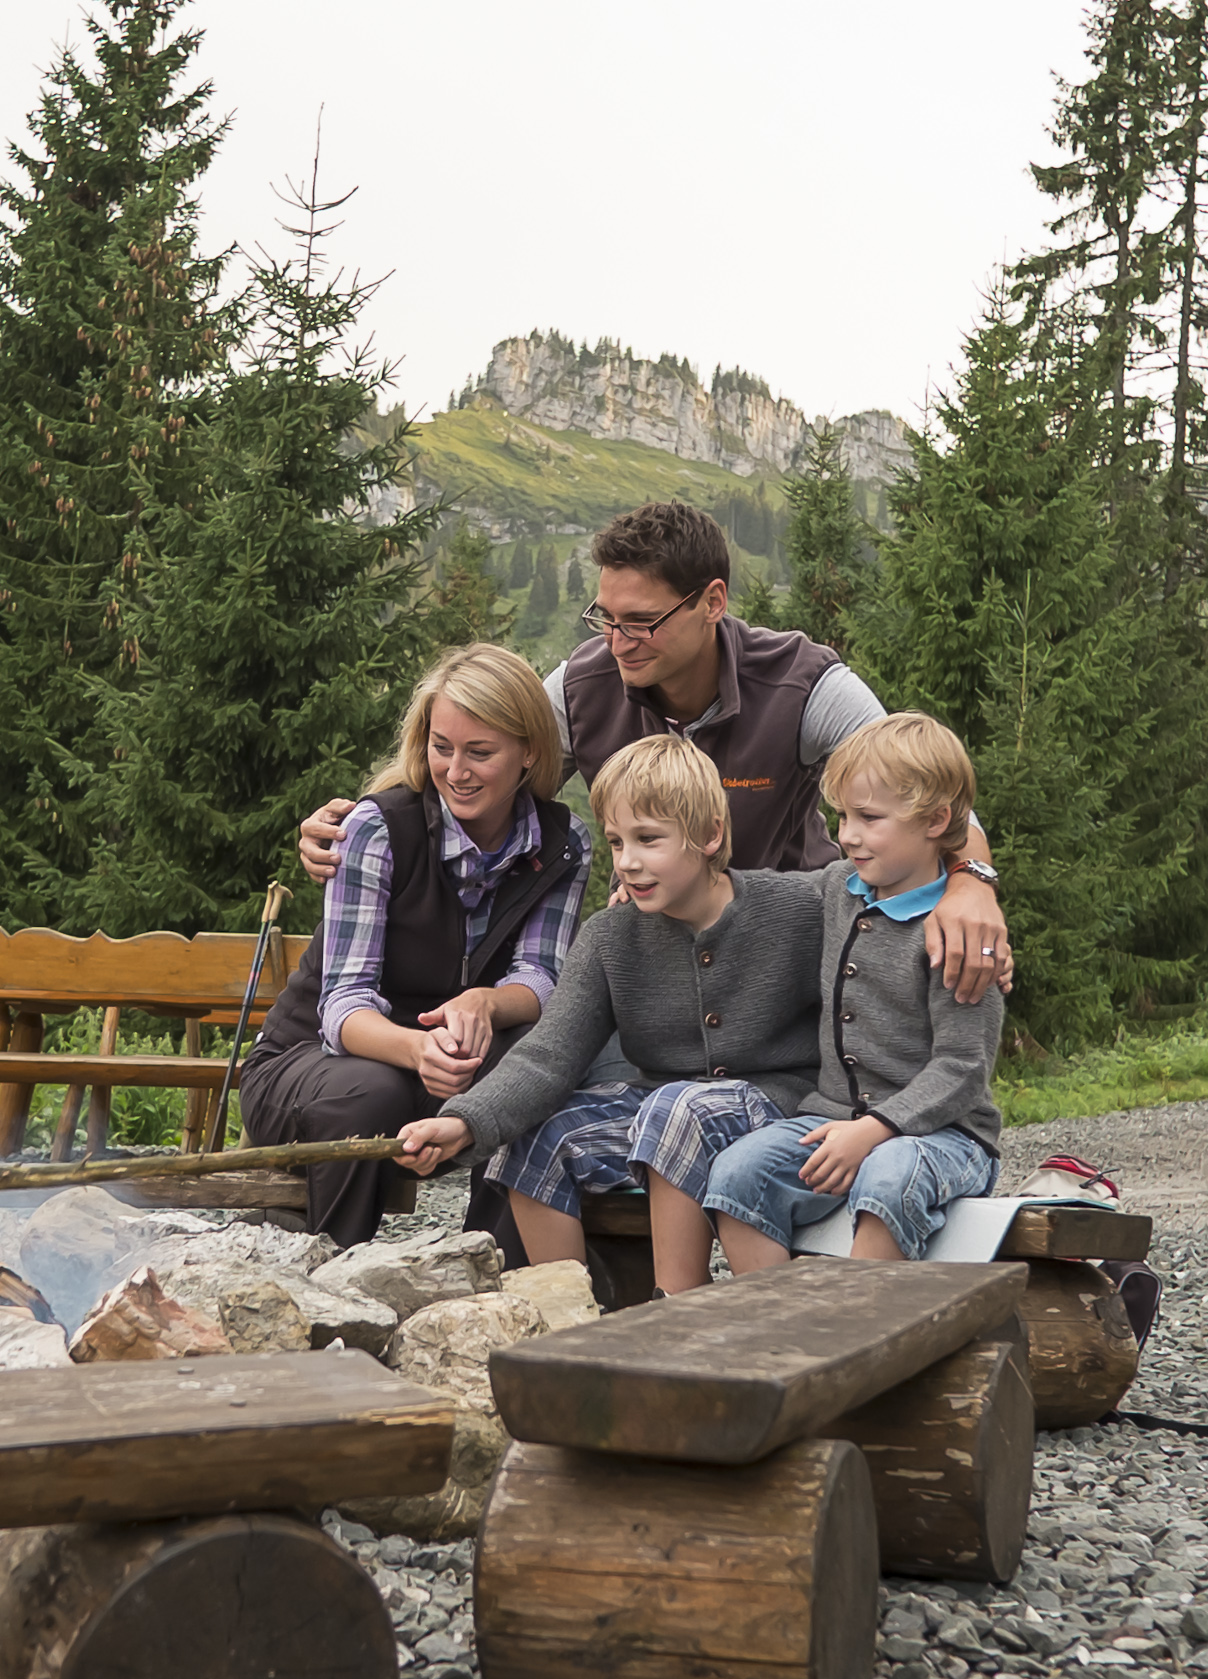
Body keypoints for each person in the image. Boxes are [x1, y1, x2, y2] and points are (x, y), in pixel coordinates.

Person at [298, 501, 1012, 997]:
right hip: (651, 950)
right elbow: (477, 764)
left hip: (790, 952)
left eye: (641, 622)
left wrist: (972, 880)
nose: (617, 642)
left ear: (712, 602)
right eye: (604, 618)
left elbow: (922, 794)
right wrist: (367, 819)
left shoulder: (804, 682)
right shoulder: (580, 685)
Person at [384, 736, 826, 1288]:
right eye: (617, 842)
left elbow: (877, 886)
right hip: (663, 1108)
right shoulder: (610, 937)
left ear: (710, 835)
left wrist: (953, 891)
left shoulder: (796, 907)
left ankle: (676, 1313)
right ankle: (567, 1313)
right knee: (538, 1136)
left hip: (778, 1106)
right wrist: (462, 1120)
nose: (628, 863)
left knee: (676, 1109)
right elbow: (548, 1056)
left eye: (648, 839)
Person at [235, 644, 587, 1247]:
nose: (456, 771)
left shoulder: (562, 844)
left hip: (439, 1073)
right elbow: (342, 1007)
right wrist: (421, 1049)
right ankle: (333, 1264)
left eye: (480, 752)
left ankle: (494, 1268)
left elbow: (540, 975)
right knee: (375, 1090)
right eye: (441, 747)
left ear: (530, 751)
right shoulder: (375, 829)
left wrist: (485, 1003)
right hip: (309, 1065)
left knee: (532, 1071)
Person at [686, 713, 1006, 1277]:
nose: (847, 835)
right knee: (737, 1175)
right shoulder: (838, 888)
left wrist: (874, 1131)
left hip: (942, 1135)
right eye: (842, 816)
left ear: (936, 820)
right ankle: (782, 1323)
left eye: (869, 818)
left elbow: (963, 1067)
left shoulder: (957, 935)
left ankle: (861, 1323)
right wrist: (671, 882)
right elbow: (750, 893)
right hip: (834, 1119)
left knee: (889, 1177)